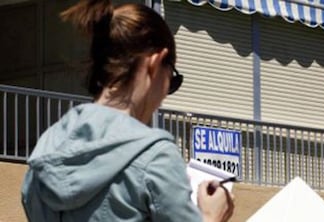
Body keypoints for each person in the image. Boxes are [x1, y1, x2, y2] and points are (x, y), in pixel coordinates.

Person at [20, 1, 234, 221]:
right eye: (172, 80)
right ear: (155, 62)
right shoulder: (154, 156)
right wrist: (211, 216)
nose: (164, 97)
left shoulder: (44, 153)